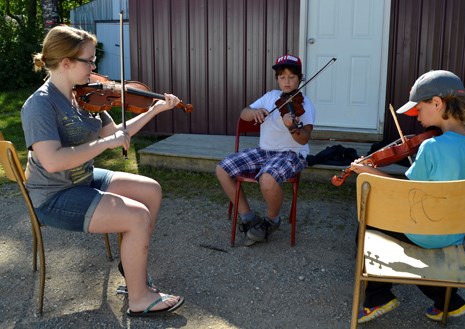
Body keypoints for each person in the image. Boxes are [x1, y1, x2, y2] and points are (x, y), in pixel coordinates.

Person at [21, 25, 184, 317]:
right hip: (55, 195)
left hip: (83, 180)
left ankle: (130, 264)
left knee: (151, 190)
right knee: (137, 216)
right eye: (90, 60)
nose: (95, 66)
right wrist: (107, 142)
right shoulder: (40, 105)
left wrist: (154, 110)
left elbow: (117, 132)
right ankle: (138, 298)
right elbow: (54, 161)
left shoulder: (85, 95)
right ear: (67, 62)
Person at [351, 70, 465, 323]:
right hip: (457, 230)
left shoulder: (432, 146)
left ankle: (379, 296)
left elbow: (405, 193)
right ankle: (449, 301)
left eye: (420, 109)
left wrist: (370, 171)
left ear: (437, 103)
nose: (417, 116)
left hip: (427, 231)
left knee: (366, 221)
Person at [216, 54, 315, 244]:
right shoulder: (270, 97)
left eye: (292, 77)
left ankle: (272, 220)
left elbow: (303, 139)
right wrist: (254, 112)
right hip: (264, 151)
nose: (287, 81)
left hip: (291, 153)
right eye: (282, 77)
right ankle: (248, 217)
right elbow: (244, 114)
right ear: (277, 78)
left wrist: (292, 127)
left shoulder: (305, 105)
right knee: (222, 169)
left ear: (300, 78)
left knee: (267, 179)